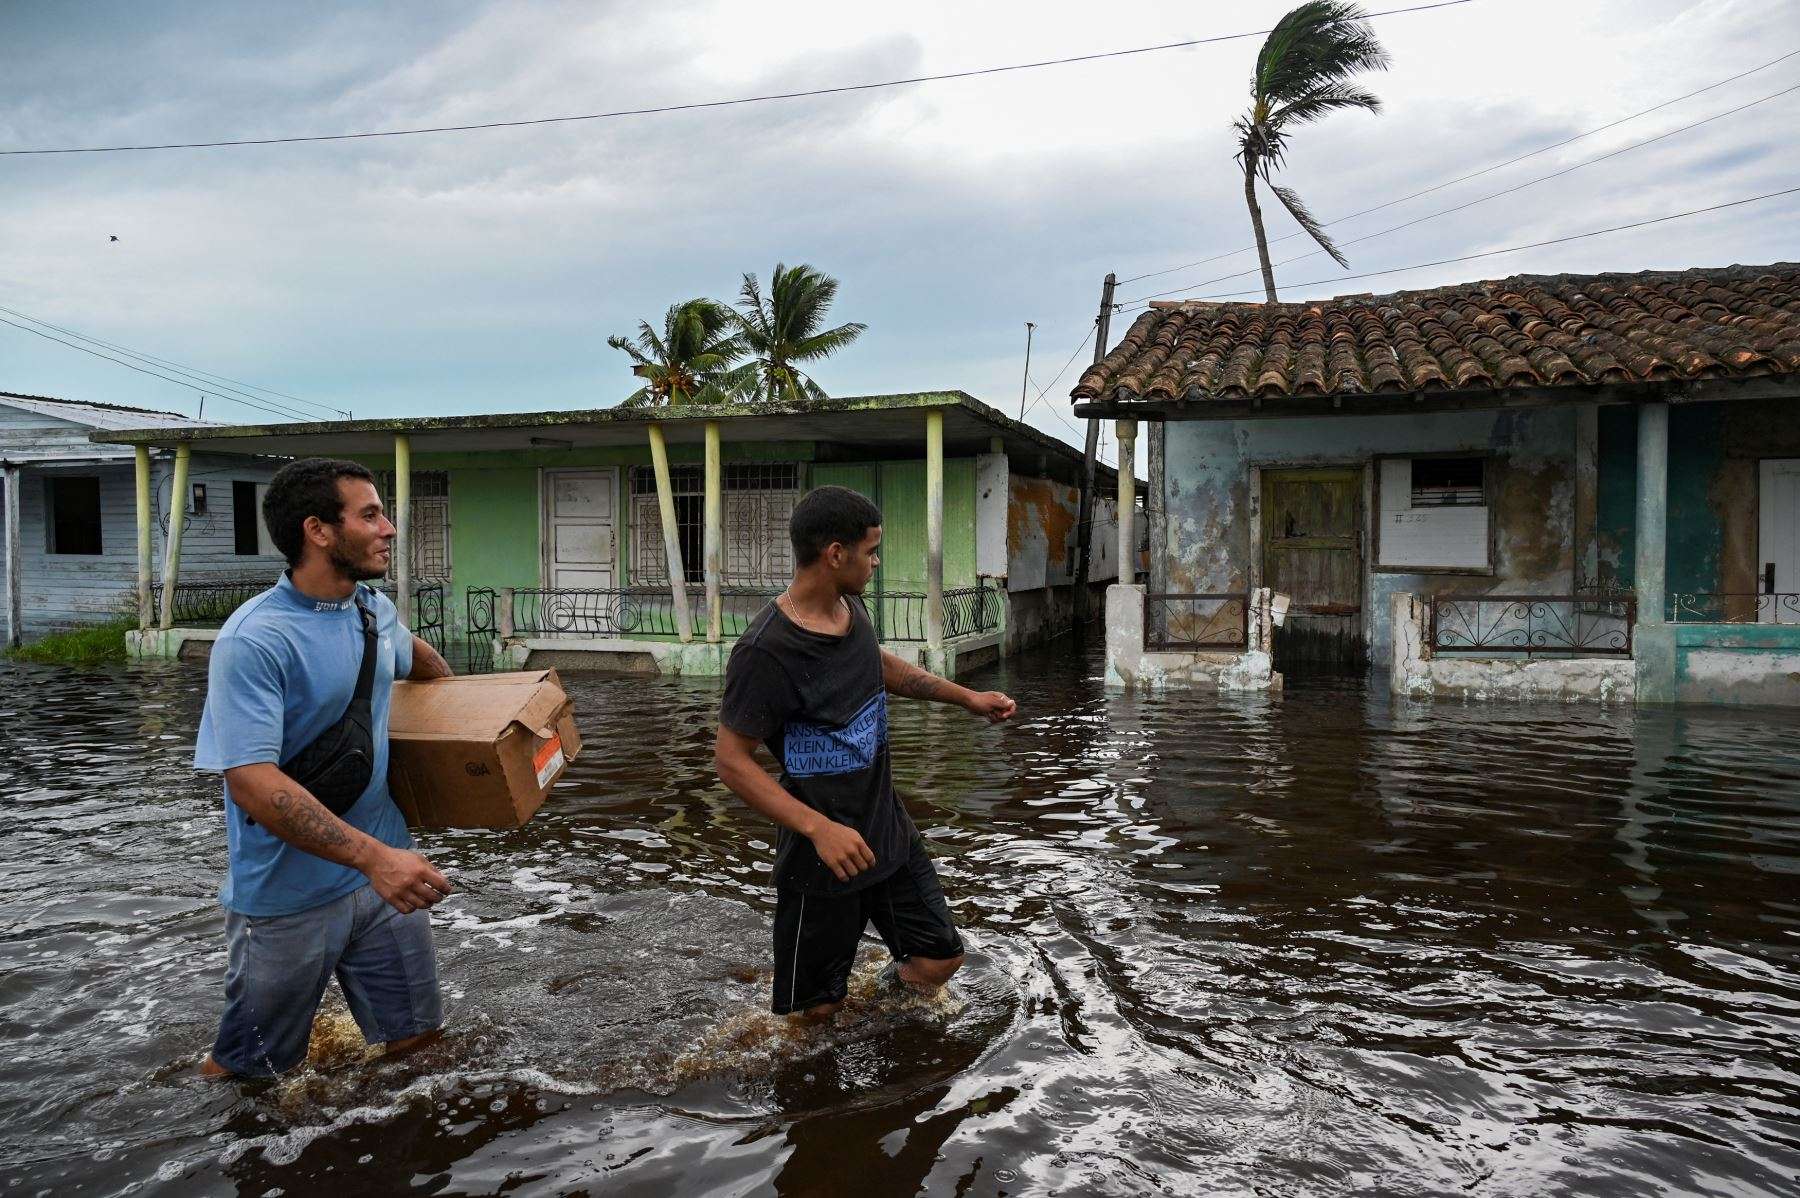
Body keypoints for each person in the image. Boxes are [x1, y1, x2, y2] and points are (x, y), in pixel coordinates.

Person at [194, 458, 455, 1077]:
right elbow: (253, 783)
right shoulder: (254, 640)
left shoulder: (372, 611)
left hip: (383, 881)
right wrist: (376, 860)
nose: (388, 528)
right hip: (289, 897)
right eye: (369, 515)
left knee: (417, 1045)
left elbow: (422, 665)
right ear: (318, 530)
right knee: (251, 1072)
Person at [715, 485, 1017, 1019]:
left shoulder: (851, 609)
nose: (876, 562)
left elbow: (880, 666)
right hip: (822, 854)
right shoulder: (765, 652)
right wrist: (818, 829)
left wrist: (965, 696)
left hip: (885, 831)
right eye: (871, 551)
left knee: (939, 959)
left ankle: (873, 1000)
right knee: (813, 1015)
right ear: (836, 554)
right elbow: (731, 761)